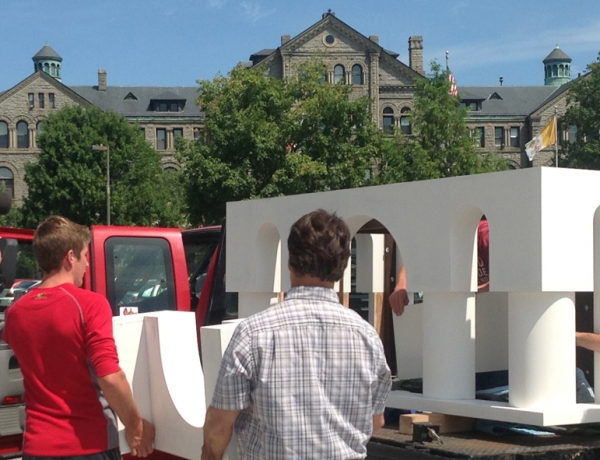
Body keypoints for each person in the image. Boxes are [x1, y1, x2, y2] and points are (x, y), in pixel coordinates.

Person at [202, 209, 392, 460]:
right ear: (343, 267)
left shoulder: (253, 334)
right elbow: (375, 420)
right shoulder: (367, 337)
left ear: (290, 262)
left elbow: (218, 426)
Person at [3, 216, 154, 460]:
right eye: (85, 255)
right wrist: (136, 426)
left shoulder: (15, 313)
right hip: (89, 444)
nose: (87, 264)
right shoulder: (89, 304)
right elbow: (110, 377)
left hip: (36, 447)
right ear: (70, 257)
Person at [389, 217, 489, 315]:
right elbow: (413, 263)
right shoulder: (440, 240)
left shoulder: (485, 236)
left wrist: (468, 294)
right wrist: (400, 288)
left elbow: (503, 280)